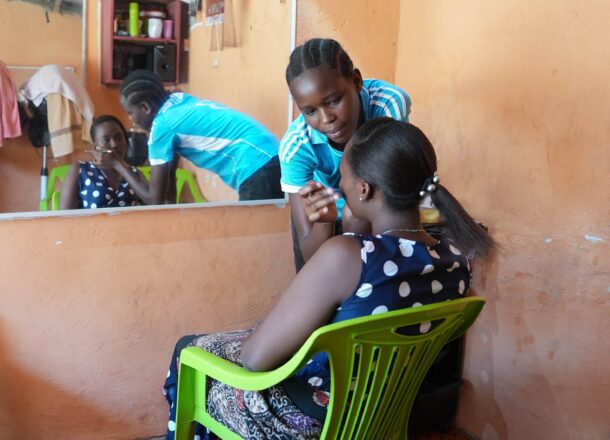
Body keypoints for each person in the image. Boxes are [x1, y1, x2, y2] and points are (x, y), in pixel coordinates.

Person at [162, 118, 494, 440]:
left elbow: (254, 360)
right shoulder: (456, 260)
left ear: (363, 189)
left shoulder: (347, 255)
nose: (339, 185)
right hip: (385, 410)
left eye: (343, 177)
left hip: (311, 420)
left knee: (189, 350)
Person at [279, 38, 412, 271]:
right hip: (323, 217)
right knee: (319, 285)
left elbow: (387, 186)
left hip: (374, 210)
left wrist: (352, 217)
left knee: (357, 221)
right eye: (310, 111)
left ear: (356, 81)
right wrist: (323, 220)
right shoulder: (296, 148)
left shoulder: (387, 104)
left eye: (333, 101)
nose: (326, 118)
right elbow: (311, 255)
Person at [104, 70, 283, 204]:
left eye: (130, 113)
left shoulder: (162, 125)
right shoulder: (177, 100)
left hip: (256, 166)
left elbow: (154, 199)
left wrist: (117, 163)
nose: (131, 120)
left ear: (145, 107)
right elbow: (169, 177)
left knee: (256, 243)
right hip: (271, 156)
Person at [59, 115, 143, 210]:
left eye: (119, 138)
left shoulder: (134, 173)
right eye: (106, 140)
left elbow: (155, 205)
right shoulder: (80, 170)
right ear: (95, 146)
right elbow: (65, 216)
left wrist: (118, 164)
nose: (114, 144)